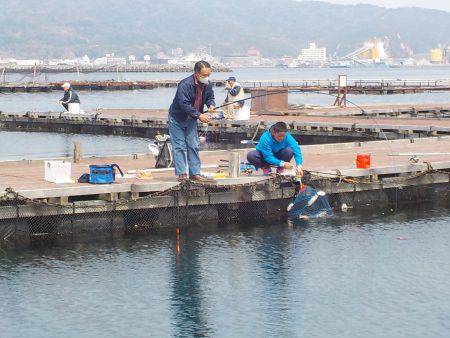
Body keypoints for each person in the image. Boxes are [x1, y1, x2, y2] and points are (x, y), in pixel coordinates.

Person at [168, 60, 216, 181]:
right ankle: (182, 174)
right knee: (178, 146)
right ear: (196, 73)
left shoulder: (207, 84)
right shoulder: (185, 84)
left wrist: (211, 105)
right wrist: (199, 115)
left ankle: (194, 173)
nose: (206, 78)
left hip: (192, 119)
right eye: (204, 75)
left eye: (208, 75)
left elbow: (210, 97)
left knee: (193, 145)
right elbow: (184, 104)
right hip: (177, 118)